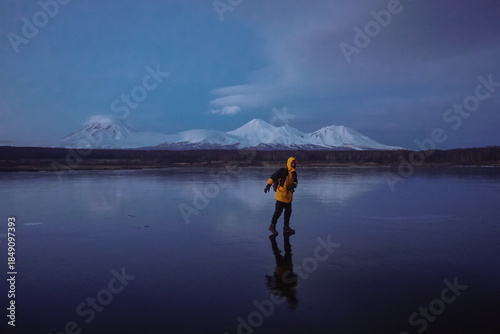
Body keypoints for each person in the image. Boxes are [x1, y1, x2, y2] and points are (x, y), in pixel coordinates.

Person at [264, 157, 297, 235]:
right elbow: (272, 177)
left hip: (288, 197)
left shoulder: (294, 173)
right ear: (289, 163)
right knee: (278, 212)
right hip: (281, 196)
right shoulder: (282, 171)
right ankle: (272, 226)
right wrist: (267, 186)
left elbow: (296, 182)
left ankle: (286, 228)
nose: (294, 164)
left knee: (288, 212)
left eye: (295, 163)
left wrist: (293, 185)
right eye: (292, 163)